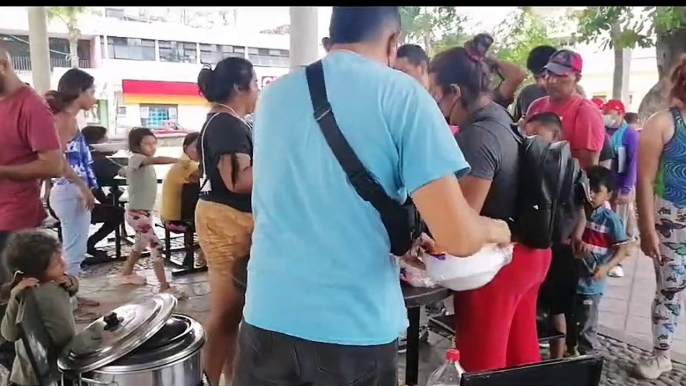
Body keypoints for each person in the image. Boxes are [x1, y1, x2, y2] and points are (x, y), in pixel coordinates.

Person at [234, 8, 510, 385]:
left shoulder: (274, 96)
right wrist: (496, 230)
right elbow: (457, 238)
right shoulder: (402, 95)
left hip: (266, 317)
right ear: (393, 41)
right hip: (352, 330)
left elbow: (303, 196)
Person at [428, 46, 551, 372]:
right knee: (521, 357)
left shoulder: (477, 134)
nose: (435, 104)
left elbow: (463, 225)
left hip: (497, 264)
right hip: (530, 254)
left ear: (455, 91)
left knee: (482, 363)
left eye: (435, 94)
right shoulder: (499, 114)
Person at [525, 49, 606, 359]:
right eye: (549, 74)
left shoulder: (586, 113)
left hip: (568, 215)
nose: (553, 81)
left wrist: (581, 226)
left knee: (559, 294)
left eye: (561, 75)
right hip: (535, 211)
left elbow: (589, 176)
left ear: (577, 78)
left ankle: (561, 357)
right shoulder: (536, 105)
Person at [195, 56, 258, 386]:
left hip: (223, 217)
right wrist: (281, 165)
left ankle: (231, 379)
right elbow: (238, 180)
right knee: (226, 312)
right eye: (256, 83)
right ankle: (206, 378)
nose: (258, 91)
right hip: (226, 219)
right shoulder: (227, 124)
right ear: (239, 87)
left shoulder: (222, 120)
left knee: (233, 314)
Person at [634, 55, 686, 380]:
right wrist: (646, 226)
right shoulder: (663, 123)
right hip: (670, 223)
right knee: (670, 287)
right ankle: (662, 354)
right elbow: (644, 179)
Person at [44, 69, 102, 318]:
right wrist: (82, 187)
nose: (94, 97)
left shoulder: (64, 118)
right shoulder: (65, 120)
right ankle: (68, 305)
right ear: (79, 92)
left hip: (65, 190)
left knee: (73, 247)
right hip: (70, 191)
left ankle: (73, 297)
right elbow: (57, 161)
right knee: (74, 251)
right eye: (91, 92)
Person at [0, 45, 62, 262]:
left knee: (13, 291)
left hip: (12, 220)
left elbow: (53, 166)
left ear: (3, 66)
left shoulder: (32, 106)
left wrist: (2, 171)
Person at [0, 230, 78, 386]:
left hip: (52, 366)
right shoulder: (32, 295)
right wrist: (15, 298)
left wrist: (72, 281)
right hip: (35, 374)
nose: (63, 263)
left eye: (61, 257)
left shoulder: (56, 281)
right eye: (57, 263)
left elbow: (71, 288)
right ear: (37, 273)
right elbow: (8, 334)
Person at [567, 166, 628, 357]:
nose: (591, 195)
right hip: (572, 276)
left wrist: (606, 266)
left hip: (592, 283)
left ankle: (590, 359)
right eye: (589, 189)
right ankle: (570, 354)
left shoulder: (610, 220)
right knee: (570, 320)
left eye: (597, 191)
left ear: (609, 194)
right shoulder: (577, 211)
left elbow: (623, 248)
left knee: (587, 325)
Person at [121, 128, 185, 297]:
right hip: (137, 215)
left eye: (154, 143)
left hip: (143, 214)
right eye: (147, 144)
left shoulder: (143, 162)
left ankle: (126, 274)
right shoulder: (137, 159)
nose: (152, 147)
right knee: (157, 245)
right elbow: (156, 160)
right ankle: (164, 286)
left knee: (140, 245)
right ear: (136, 145)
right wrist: (179, 160)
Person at [602, 99, 639, 278]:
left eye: (610, 113)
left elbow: (633, 164)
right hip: (604, 184)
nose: (606, 116)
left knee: (619, 224)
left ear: (620, 114)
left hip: (620, 186)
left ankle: (618, 261)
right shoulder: (604, 131)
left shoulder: (629, 135)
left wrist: (626, 189)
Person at [80, 125, 125, 262]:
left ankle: (87, 245)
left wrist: (107, 201)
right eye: (106, 140)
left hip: (60, 203)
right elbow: (124, 173)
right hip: (79, 206)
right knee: (118, 214)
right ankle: (89, 244)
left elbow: (96, 189)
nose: (110, 143)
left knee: (112, 205)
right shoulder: (100, 160)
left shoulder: (82, 154)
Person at [160, 132, 205, 267]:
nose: (199, 150)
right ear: (185, 147)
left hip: (169, 215)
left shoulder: (183, 162)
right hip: (177, 217)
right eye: (196, 147)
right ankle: (203, 257)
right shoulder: (188, 164)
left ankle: (199, 255)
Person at [513, 45, 586, 122]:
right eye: (536, 78)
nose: (541, 83)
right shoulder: (527, 94)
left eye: (544, 76)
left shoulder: (580, 99)